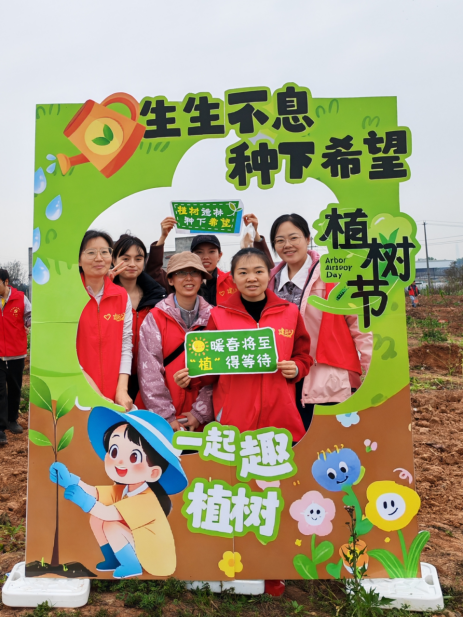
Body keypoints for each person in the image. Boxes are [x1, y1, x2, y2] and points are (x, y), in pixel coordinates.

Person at [174, 248, 313, 443]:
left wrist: (296, 368)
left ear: (269, 275)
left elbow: (303, 355)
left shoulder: (289, 312)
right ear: (233, 278)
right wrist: (191, 378)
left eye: (259, 271)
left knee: (282, 462)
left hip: (281, 416)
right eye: (243, 272)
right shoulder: (219, 316)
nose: (251, 278)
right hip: (234, 420)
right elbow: (211, 367)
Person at [49, 407, 188, 578]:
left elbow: (108, 513)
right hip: (137, 542)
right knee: (97, 519)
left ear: (153, 473)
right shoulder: (124, 489)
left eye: (134, 456)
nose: (119, 462)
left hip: (155, 558)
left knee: (111, 525)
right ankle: (113, 559)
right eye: (114, 451)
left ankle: (131, 565)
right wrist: (71, 480)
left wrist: (84, 501)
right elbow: (96, 493)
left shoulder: (147, 499)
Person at [268, 214, 373, 430]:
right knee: (292, 446)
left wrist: (372, 375)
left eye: (294, 238)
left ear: (308, 239)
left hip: (328, 381)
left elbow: (360, 325)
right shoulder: (269, 281)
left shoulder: (333, 274)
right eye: (280, 240)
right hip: (282, 383)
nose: (287, 245)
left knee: (331, 445)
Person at [137, 252, 214, 431]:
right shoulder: (155, 318)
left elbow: (219, 373)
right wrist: (166, 416)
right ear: (170, 280)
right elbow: (149, 372)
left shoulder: (215, 318)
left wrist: (200, 413)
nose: (189, 278)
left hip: (200, 421)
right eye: (181, 273)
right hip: (158, 419)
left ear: (202, 278)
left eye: (194, 272)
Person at [145, 214, 274, 305]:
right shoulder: (181, 280)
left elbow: (266, 270)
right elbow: (153, 273)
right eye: (199, 252)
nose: (205, 257)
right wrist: (163, 237)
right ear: (192, 256)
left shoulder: (234, 279)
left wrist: (254, 234)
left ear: (220, 255)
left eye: (211, 252)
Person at [77, 230, 132, 411]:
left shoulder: (121, 296)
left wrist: (122, 389)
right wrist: (94, 394)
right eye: (91, 252)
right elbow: (64, 350)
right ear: (78, 260)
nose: (99, 258)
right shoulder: (69, 297)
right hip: (77, 389)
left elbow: (126, 343)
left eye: (105, 252)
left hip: (113, 394)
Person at [109, 234, 167, 400]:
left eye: (138, 259)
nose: (132, 264)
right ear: (113, 260)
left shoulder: (158, 297)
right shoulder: (104, 295)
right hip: (111, 375)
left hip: (149, 378)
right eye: (125, 258)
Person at [0, 269, 31, 444]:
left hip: (16, 354)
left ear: (6, 282)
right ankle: (0, 428)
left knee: (15, 389)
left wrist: (32, 323)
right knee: (0, 391)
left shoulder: (21, 298)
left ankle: (12, 420)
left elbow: (30, 317)